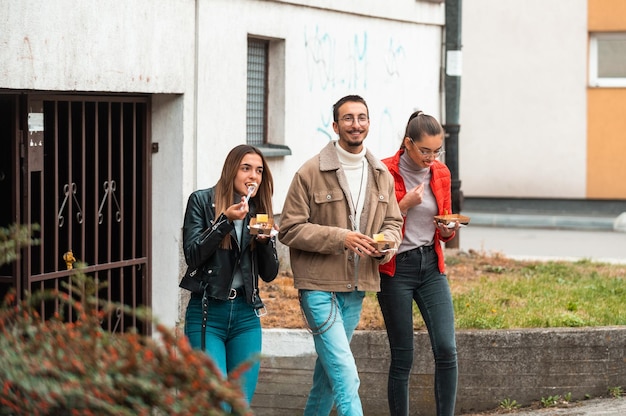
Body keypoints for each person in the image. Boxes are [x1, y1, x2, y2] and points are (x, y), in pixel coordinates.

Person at [278, 95, 403, 416]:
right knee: (346, 375)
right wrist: (341, 237)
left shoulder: (380, 175)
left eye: (362, 118)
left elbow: (393, 222)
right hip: (318, 289)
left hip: (357, 288)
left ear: (369, 123)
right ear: (335, 126)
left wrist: (386, 243)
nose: (355, 124)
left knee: (329, 377)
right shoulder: (310, 172)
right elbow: (289, 229)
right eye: (348, 118)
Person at [179, 144, 279, 406]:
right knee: (217, 402)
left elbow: (269, 274)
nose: (253, 176)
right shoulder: (201, 201)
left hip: (246, 316)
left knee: (239, 403)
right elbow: (193, 255)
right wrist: (224, 221)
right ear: (231, 170)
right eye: (246, 168)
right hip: (207, 313)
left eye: (258, 170)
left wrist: (266, 242)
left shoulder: (260, 211)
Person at [377, 110, 459, 416]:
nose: (431, 157)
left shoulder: (441, 173)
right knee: (403, 356)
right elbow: (373, 224)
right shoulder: (384, 171)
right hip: (395, 268)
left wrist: (447, 230)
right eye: (425, 150)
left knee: (447, 349)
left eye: (436, 151)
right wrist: (402, 206)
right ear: (408, 143)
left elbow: (444, 226)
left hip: (431, 266)